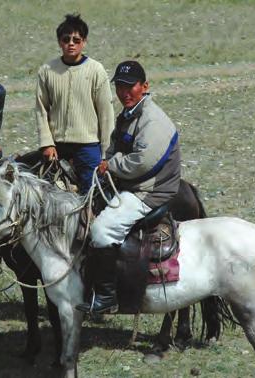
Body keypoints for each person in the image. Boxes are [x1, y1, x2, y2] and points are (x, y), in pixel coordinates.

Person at [76, 61, 181, 314]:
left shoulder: (153, 120)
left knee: (101, 230)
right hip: (130, 184)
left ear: (144, 86)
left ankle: (106, 295)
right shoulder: (128, 114)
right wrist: (108, 162)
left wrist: (110, 166)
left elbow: (142, 162)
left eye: (130, 86)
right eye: (120, 86)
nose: (124, 92)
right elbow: (112, 146)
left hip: (149, 190)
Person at [35, 14, 114, 193]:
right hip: (57, 146)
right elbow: (41, 110)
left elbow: (106, 115)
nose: (71, 43)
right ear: (59, 42)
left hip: (88, 146)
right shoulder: (47, 71)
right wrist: (46, 143)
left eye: (76, 40)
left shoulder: (96, 70)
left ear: (84, 42)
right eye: (66, 39)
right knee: (48, 195)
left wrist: (106, 155)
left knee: (94, 193)